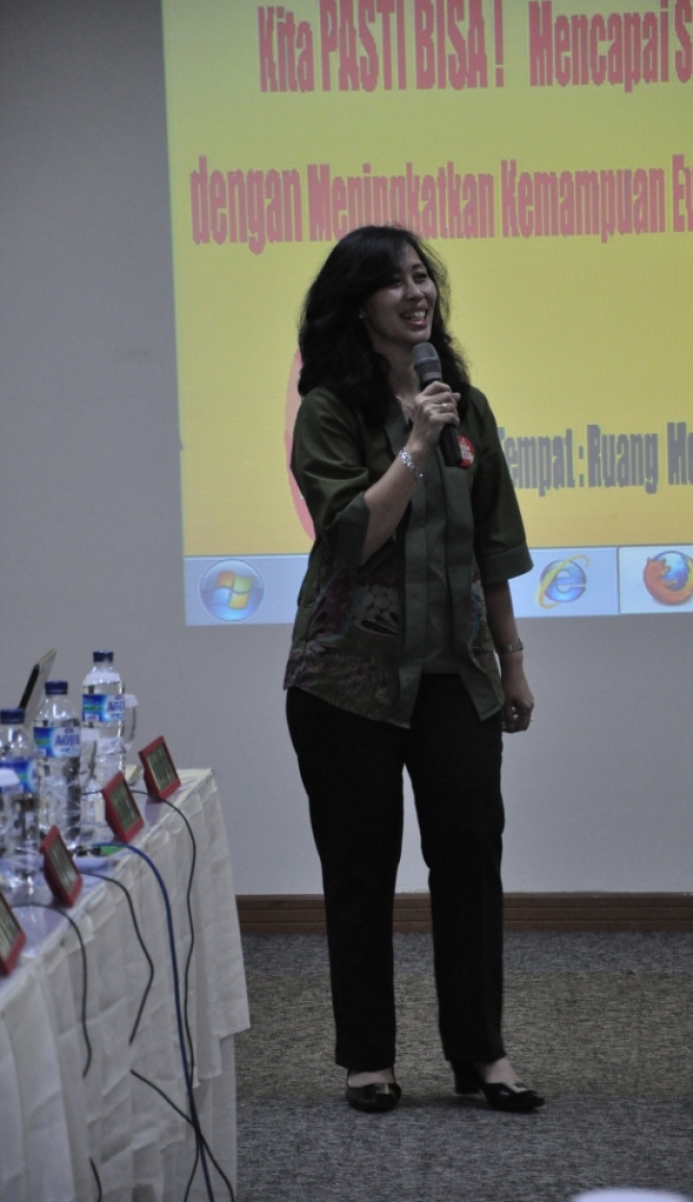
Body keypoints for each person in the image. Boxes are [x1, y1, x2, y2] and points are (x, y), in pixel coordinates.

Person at [284, 224, 542, 1115]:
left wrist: (512, 662)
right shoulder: (330, 412)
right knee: (361, 868)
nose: (417, 290)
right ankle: (368, 1059)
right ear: (359, 304)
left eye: (423, 275)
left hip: (455, 675)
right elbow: (353, 536)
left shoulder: (465, 406)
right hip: (346, 682)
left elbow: (494, 550)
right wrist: (415, 447)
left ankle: (482, 1054)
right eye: (395, 280)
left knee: (470, 858)